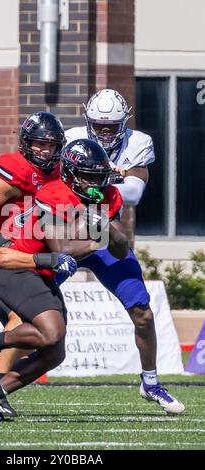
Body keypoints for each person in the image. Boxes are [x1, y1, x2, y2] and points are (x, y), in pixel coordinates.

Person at [0, 138, 129, 422]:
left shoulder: (108, 195)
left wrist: (110, 230)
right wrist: (97, 237)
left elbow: (121, 249)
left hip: (43, 275)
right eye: (87, 176)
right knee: (51, 333)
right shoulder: (53, 193)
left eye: (98, 176)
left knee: (54, 353)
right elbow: (63, 250)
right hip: (21, 267)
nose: (95, 183)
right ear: (69, 173)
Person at [64, 89, 185, 414]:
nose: (105, 132)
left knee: (142, 312)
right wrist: (113, 175)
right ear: (87, 121)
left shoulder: (138, 142)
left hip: (104, 232)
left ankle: (150, 381)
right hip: (62, 231)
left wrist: (90, 181)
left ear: (124, 121)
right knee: (30, 302)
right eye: (99, 126)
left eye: (112, 126)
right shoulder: (69, 137)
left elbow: (132, 194)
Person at [0, 111, 68, 416]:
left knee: (52, 346)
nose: (44, 150)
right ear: (26, 143)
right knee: (23, 320)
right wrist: (2, 245)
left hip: (29, 264)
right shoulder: (15, 168)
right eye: (38, 143)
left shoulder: (59, 173)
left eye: (50, 145)